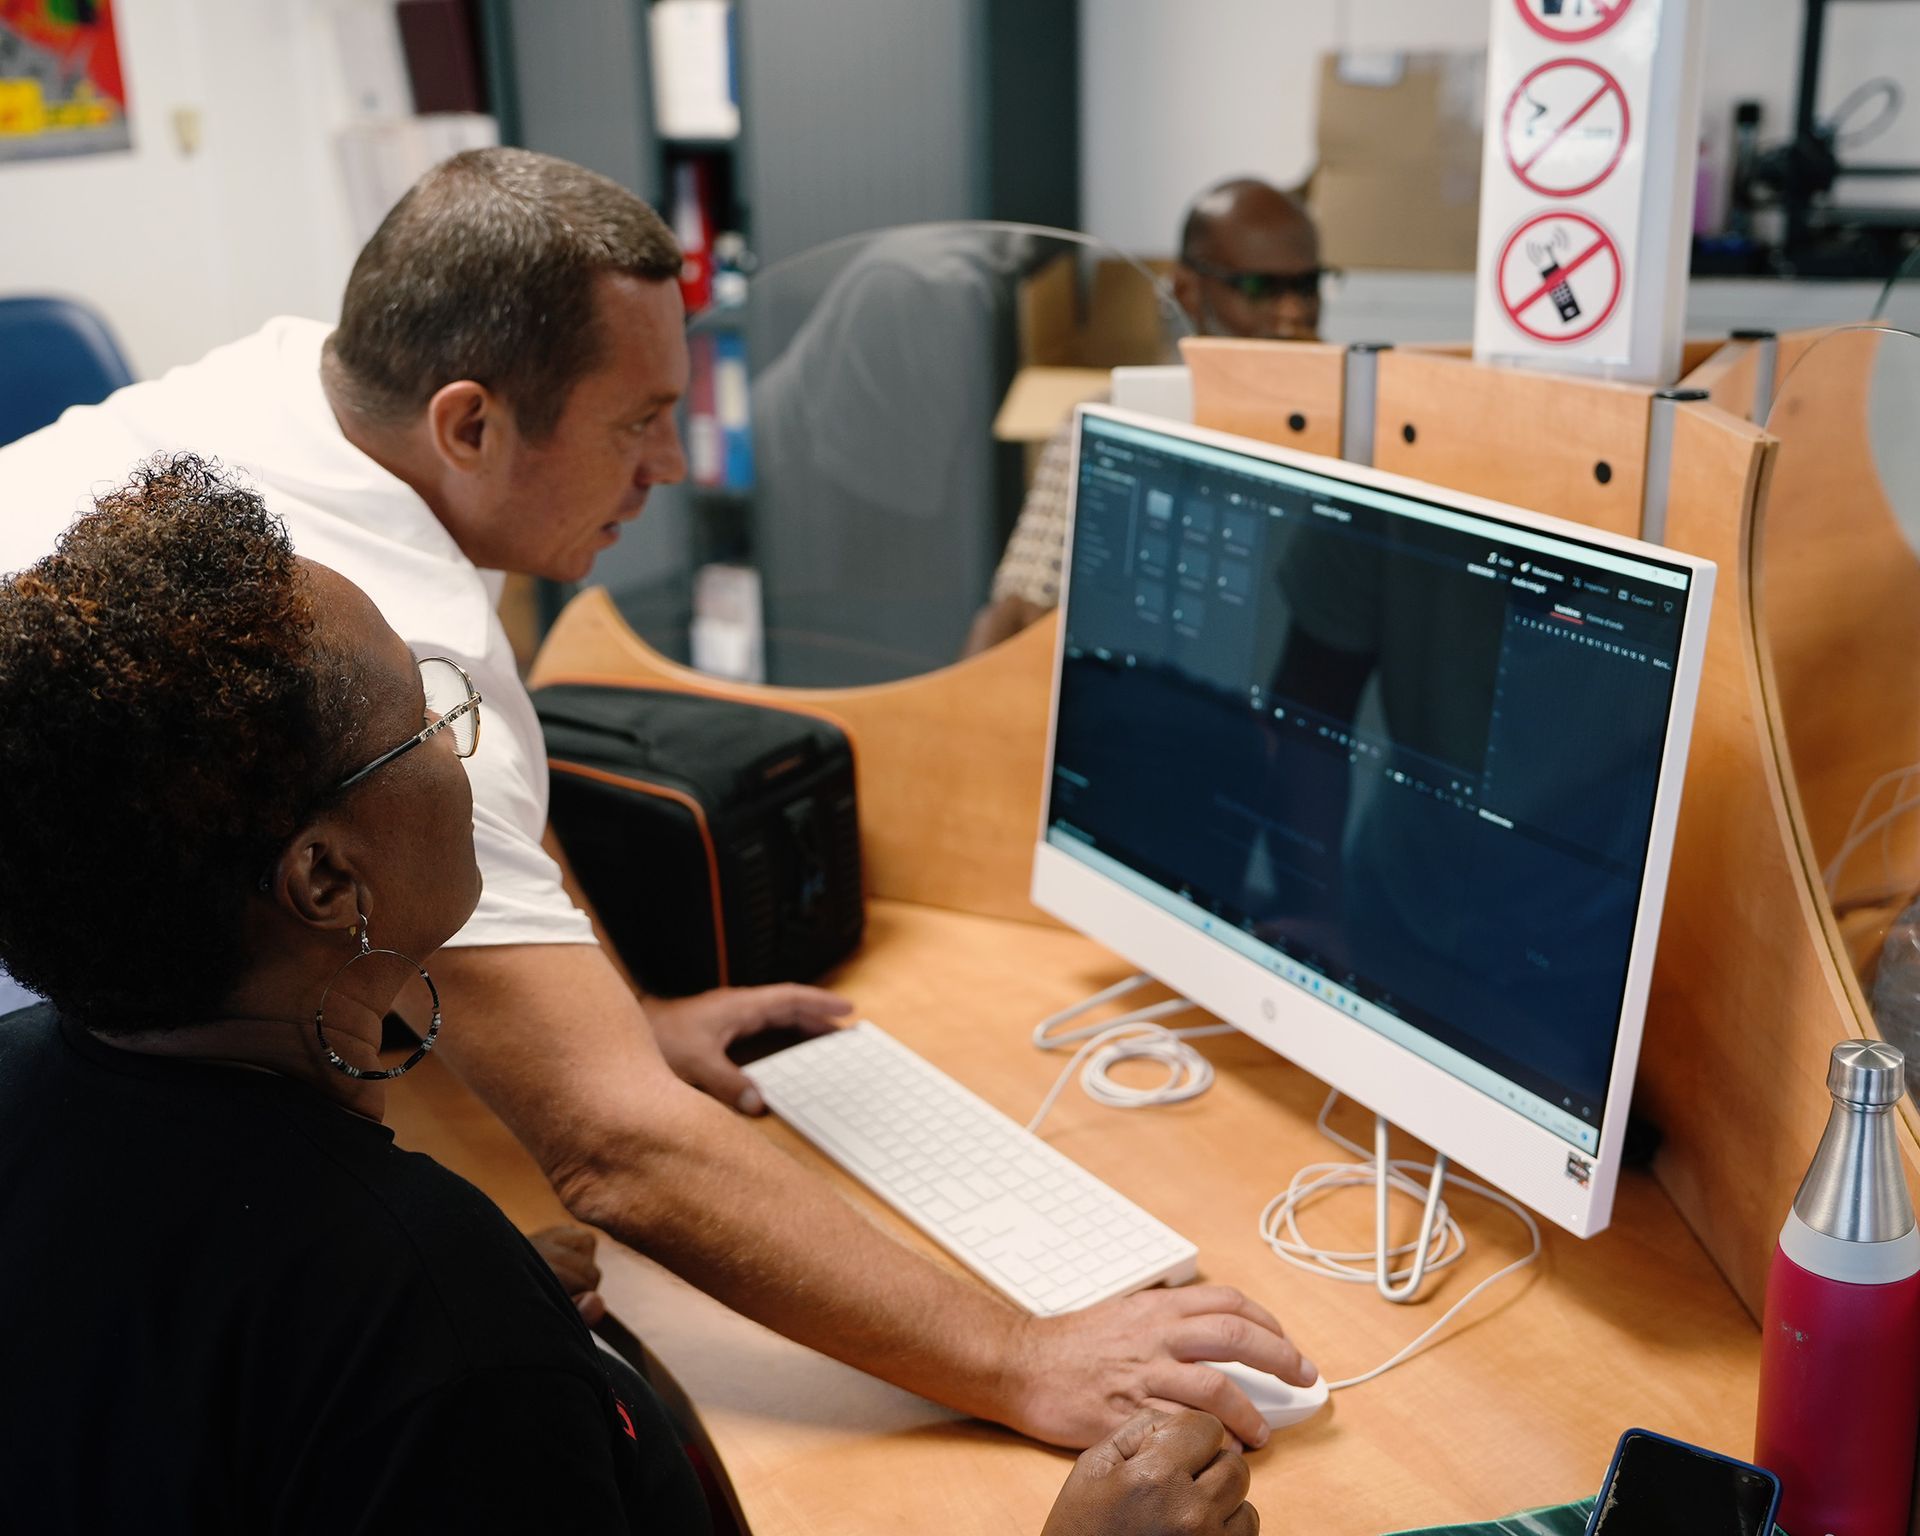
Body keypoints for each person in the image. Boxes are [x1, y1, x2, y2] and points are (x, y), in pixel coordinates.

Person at [0, 148, 1314, 1450]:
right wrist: (1021, 1356)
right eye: (638, 421)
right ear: (470, 422)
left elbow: (494, 809)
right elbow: (614, 1150)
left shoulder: (322, 385)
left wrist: (624, 1016)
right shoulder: (376, 629)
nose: (672, 465)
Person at [0, 457, 1259, 1534]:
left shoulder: (30, 1082)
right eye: (427, 720)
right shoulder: (436, 1340)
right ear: (326, 877)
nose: (462, 745)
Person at [966, 178, 1324, 656]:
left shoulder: (1361, 431)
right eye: (1258, 287)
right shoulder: (1108, 421)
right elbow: (1016, 612)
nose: (1292, 315)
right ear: (1187, 291)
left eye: (1307, 286)